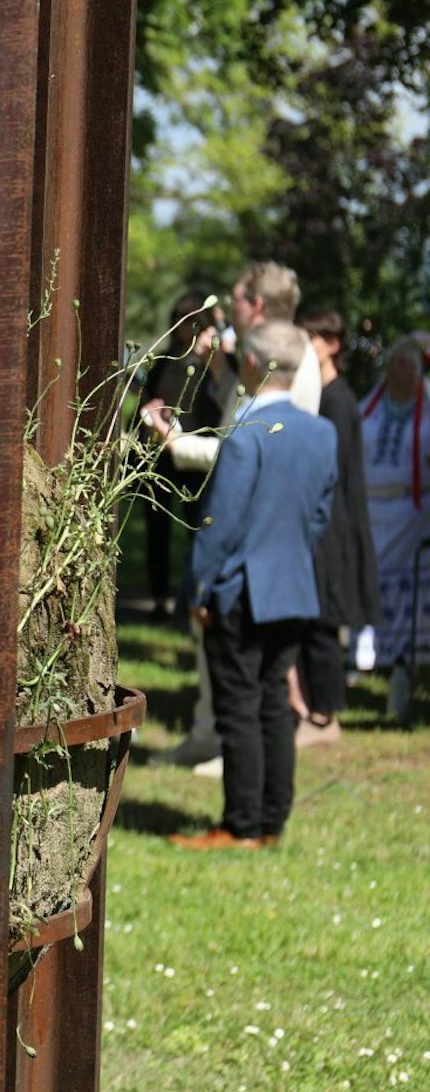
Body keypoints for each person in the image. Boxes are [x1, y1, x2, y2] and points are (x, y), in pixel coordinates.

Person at [142, 262, 319, 773]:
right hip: (236, 510)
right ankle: (206, 734)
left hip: (257, 525)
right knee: (212, 640)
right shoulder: (258, 354)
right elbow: (237, 419)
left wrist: (175, 442)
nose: (226, 310)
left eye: (235, 299)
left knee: (245, 656)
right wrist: (220, 371)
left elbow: (250, 448)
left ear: (256, 305)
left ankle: (230, 748)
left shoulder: (293, 360)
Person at [170, 322, 336, 851]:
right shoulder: (322, 433)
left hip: (240, 588)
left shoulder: (248, 430)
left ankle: (241, 825)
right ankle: (270, 822)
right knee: (272, 703)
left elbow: (220, 523)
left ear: (250, 364)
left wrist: (198, 590)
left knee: (239, 704)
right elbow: (319, 516)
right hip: (293, 586)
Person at [290, 311, 380, 745]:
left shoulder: (339, 400)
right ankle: (310, 709)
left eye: (313, 338)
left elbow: (331, 467)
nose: (306, 346)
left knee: (323, 619)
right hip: (318, 518)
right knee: (310, 618)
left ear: (333, 344)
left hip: (332, 523)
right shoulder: (319, 395)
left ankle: (324, 718)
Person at [137, 290, 232, 618]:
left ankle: (197, 597)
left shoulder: (214, 366)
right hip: (160, 460)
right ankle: (160, 599)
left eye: (188, 322)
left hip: (197, 461)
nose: (181, 328)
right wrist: (150, 419)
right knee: (157, 531)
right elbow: (144, 406)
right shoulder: (161, 363)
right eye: (177, 320)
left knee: (198, 528)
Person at [360, 338, 430, 720]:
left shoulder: (427, 408)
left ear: (418, 373)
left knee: (407, 592)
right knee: (370, 581)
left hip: (411, 512)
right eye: (393, 362)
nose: (396, 370)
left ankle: (403, 668)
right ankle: (367, 657)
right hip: (371, 509)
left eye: (405, 364)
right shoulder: (370, 406)